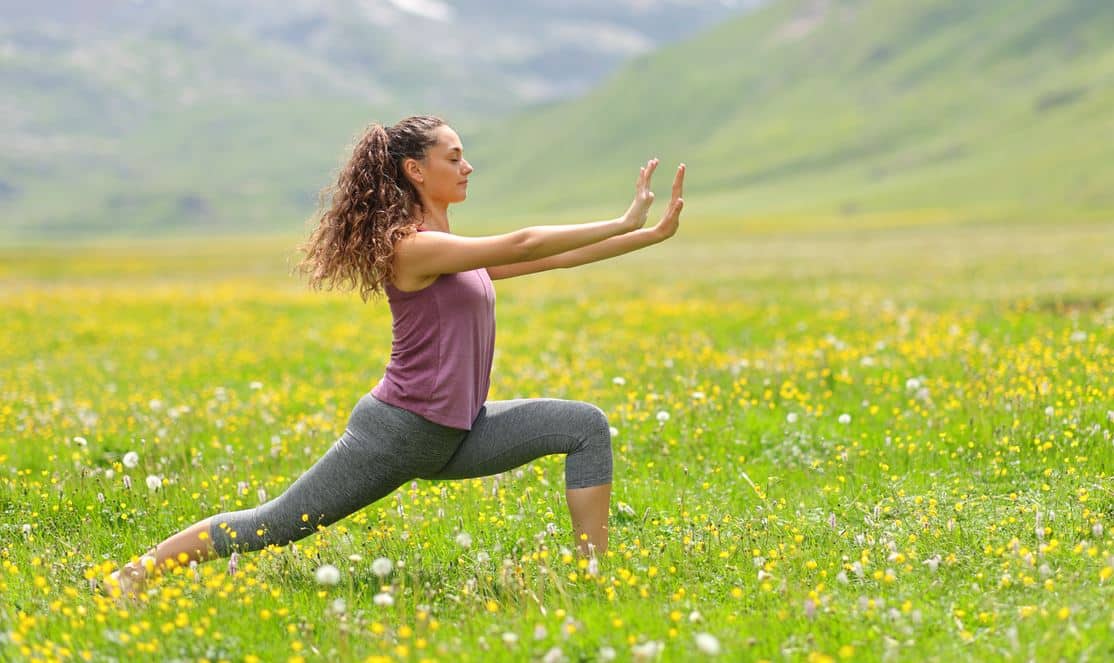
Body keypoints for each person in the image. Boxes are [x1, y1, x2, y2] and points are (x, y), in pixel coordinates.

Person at [102, 114, 684, 598]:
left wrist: (646, 236)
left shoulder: (451, 251)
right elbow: (524, 241)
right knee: (275, 524)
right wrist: (622, 218)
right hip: (399, 432)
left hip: (460, 430)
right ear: (415, 169)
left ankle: (592, 578)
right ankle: (133, 574)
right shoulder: (415, 248)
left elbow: (545, 260)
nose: (467, 166)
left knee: (585, 426)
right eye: (454, 157)